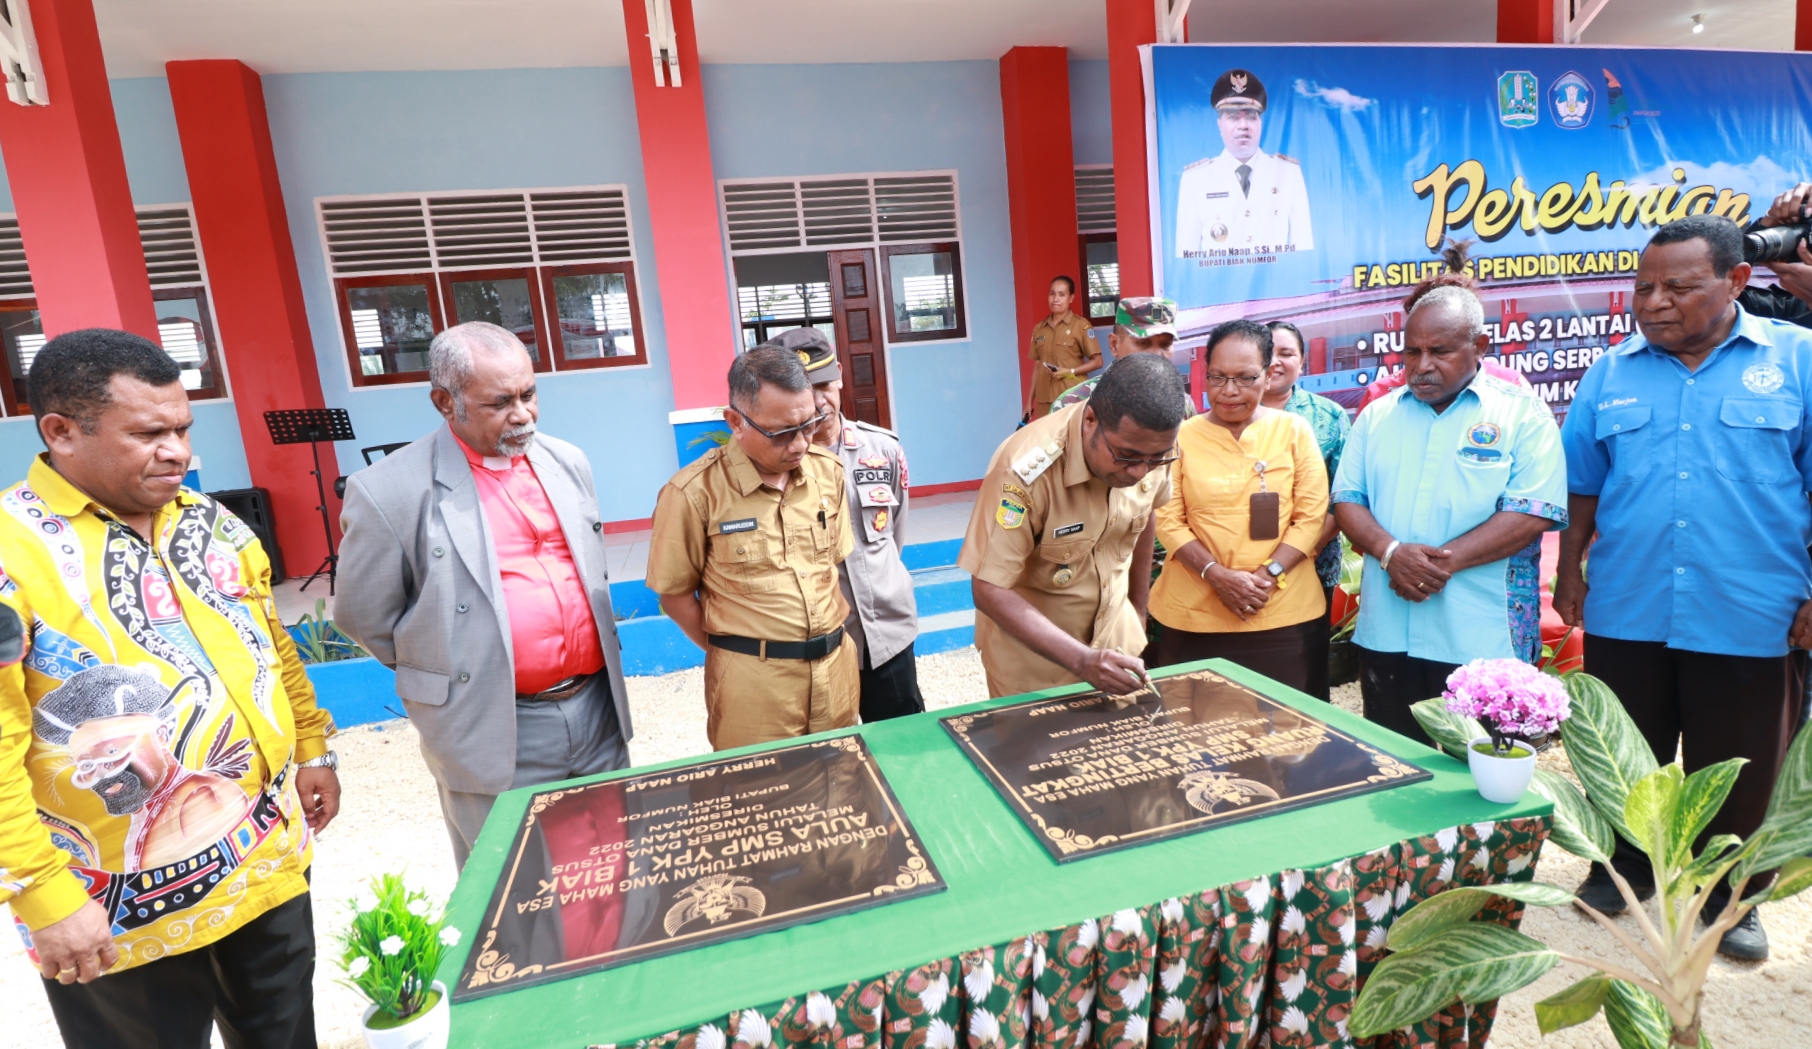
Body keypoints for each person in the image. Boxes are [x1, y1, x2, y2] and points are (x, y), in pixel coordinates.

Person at [0, 329, 339, 1047]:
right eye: (149, 432)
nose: (179, 450)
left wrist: (313, 747)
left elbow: (271, 646)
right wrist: (44, 893)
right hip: (107, 909)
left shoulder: (211, 521)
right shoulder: (12, 554)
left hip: (264, 863)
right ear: (61, 431)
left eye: (183, 427)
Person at [1555, 214, 1812, 961]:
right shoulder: (1611, 372)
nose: (1655, 301)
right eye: (1643, 287)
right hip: (1628, 601)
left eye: (1678, 285)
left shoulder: (1797, 360)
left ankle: (1733, 896)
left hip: (1751, 606)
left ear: (1735, 282)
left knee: (1739, 758)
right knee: (1621, 746)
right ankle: (1624, 867)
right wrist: (1570, 573)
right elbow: (1582, 488)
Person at [337, 321, 632, 869]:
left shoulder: (566, 461)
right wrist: (453, 664)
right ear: (446, 403)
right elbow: (362, 615)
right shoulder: (389, 491)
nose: (522, 414)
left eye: (529, 394)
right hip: (493, 723)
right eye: (500, 402)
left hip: (595, 708)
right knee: (513, 892)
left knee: (610, 870)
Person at [1330, 282, 1567, 743]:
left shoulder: (1523, 415)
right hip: (1389, 634)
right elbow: (1347, 501)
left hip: (1483, 637)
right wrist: (1391, 552)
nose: (1421, 366)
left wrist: (1437, 565)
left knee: (1486, 775)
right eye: (1412, 351)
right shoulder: (1377, 417)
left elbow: (1531, 512)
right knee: (1396, 765)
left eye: (1439, 351)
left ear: (1479, 346)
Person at [646, 346, 858, 748]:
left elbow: (832, 566)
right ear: (736, 422)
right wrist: (740, 654)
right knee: (760, 797)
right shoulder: (694, 493)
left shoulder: (827, 472)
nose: (799, 444)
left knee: (844, 787)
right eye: (781, 433)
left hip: (835, 674)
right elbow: (674, 596)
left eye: (809, 425)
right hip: (755, 690)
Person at [961, 354, 1185, 698]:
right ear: (1091, 420)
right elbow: (990, 589)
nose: (1141, 471)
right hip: (1035, 669)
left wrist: (1138, 611)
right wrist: (1083, 661)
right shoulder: (1024, 470)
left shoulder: (1153, 444)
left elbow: (1146, 517)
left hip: (1118, 645)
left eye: (1155, 460)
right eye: (1126, 456)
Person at [1148, 320, 1330, 697]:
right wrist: (1216, 575)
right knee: (1197, 741)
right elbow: (1167, 517)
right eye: (1217, 377)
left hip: (1283, 613)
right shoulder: (1180, 436)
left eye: (1245, 378)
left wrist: (1268, 574)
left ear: (1267, 375)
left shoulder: (1294, 431)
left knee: (1288, 741)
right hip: (1194, 617)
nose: (1229, 391)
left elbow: (1311, 515)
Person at [777, 327, 926, 722]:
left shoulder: (883, 449)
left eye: (825, 384)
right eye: (806, 390)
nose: (820, 399)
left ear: (841, 374)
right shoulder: (780, 466)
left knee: (904, 746)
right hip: (819, 643)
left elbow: (895, 535)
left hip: (886, 634)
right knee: (833, 761)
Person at [1174, 68, 1313, 257]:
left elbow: (1304, 248)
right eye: (1233, 117)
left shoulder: (1288, 174)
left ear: (1260, 123)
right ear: (1219, 125)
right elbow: (1186, 256)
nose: (1243, 126)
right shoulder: (1196, 179)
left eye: (1250, 117)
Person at [1265, 319, 1349, 605]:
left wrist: (1301, 552)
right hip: (1240, 568)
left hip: (1313, 561)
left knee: (1306, 648)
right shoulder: (1226, 418)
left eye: (1286, 354)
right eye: (1266, 353)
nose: (1274, 362)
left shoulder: (1330, 416)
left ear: (1302, 361)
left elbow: (1344, 498)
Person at [1052, 297, 1194, 417]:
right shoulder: (1073, 405)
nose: (1156, 354)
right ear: (1114, 345)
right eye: (1143, 343)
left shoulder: (1182, 404)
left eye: (1165, 344)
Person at [1026, 276, 1101, 420]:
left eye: (1061, 294)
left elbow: (1097, 361)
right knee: (1047, 440)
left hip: (1071, 397)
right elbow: (1037, 367)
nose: (1055, 299)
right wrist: (1029, 401)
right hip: (1045, 400)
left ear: (1071, 298)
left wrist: (1070, 371)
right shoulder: (1039, 329)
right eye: (1052, 293)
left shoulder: (1081, 326)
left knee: (1072, 439)